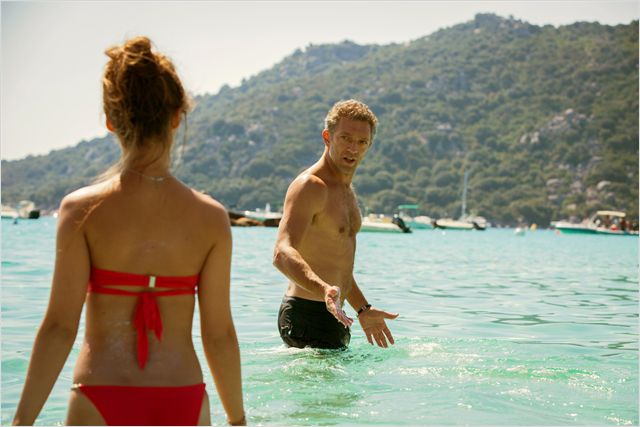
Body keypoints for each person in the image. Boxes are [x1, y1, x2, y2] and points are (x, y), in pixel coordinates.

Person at [12, 37, 245, 426]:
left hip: (99, 394)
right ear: (177, 116)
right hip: (182, 397)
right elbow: (219, 335)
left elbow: (59, 328)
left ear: (110, 120)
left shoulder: (81, 210)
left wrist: (22, 421)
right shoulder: (211, 218)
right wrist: (238, 420)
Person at [273, 99, 399, 350]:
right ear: (327, 137)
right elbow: (281, 252)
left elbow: (337, 265)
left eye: (362, 142)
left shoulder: (346, 191)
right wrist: (323, 290)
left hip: (333, 313)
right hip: (307, 314)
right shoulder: (310, 186)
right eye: (345, 138)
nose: (353, 148)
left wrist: (363, 309)